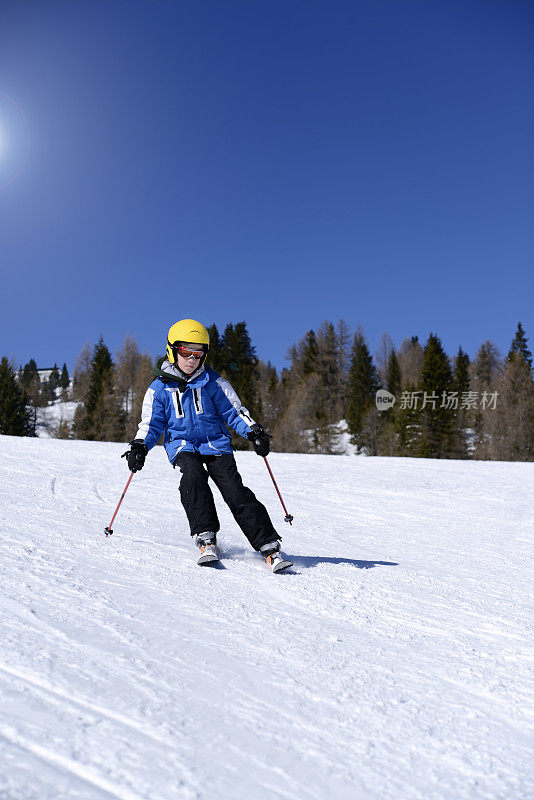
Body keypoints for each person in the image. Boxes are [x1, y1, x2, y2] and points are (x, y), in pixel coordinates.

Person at [122, 319, 292, 572]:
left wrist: (254, 432)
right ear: (172, 350)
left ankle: (267, 544)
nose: (191, 359)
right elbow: (151, 424)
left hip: (216, 444)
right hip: (182, 445)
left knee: (234, 490)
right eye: (185, 352)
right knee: (192, 477)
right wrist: (140, 447)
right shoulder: (159, 388)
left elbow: (234, 412)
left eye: (198, 354)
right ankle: (205, 535)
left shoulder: (213, 382)